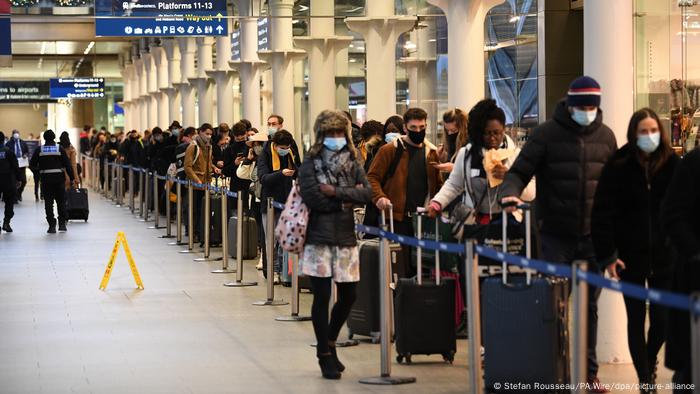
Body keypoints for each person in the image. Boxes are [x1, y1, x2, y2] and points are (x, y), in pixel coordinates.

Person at [500, 76, 617, 391]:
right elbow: (519, 172)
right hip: (556, 234)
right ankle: (555, 370)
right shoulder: (546, 135)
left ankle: (589, 374)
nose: (588, 111)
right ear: (570, 105)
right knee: (555, 305)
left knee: (590, 307)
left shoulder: (606, 137)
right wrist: (509, 194)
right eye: (583, 107)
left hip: (594, 237)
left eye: (593, 106)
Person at [591, 108, 677, 392]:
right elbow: (602, 213)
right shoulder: (618, 164)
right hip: (629, 258)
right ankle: (644, 380)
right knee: (635, 319)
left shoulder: (672, 163)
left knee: (662, 320)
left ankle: (650, 357)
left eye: (653, 130)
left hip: (665, 257)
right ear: (633, 133)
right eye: (643, 131)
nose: (649, 136)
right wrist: (609, 255)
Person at [298, 110, 372, 380]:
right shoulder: (310, 161)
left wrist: (336, 193)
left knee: (349, 295)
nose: (335, 138)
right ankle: (324, 354)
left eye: (339, 133)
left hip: (345, 238)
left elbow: (366, 193)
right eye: (330, 133)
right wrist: (344, 201)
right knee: (322, 297)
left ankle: (329, 342)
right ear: (321, 134)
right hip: (317, 239)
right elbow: (312, 197)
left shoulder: (353, 159)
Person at [367, 107, 443, 278]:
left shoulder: (431, 153)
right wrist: (380, 197)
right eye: (414, 128)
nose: (418, 131)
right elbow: (371, 177)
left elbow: (437, 184)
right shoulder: (390, 150)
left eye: (422, 128)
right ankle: (395, 303)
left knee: (422, 270)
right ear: (405, 128)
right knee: (397, 270)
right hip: (397, 219)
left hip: (423, 220)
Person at [661, 149, 700, 393]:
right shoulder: (693, 164)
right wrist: (695, 252)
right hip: (694, 280)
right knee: (690, 363)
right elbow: (672, 214)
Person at [257, 129, 301, 282]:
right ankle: (272, 272)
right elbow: (263, 178)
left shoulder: (290, 152)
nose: (285, 150)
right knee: (271, 240)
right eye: (282, 147)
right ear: (275, 145)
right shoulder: (265, 154)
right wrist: (281, 173)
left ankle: (284, 271)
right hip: (269, 202)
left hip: (286, 201)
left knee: (285, 239)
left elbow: (298, 170)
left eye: (287, 147)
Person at [30, 130, 75, 233]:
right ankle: (62, 224)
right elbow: (68, 165)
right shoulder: (60, 149)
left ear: (44, 138)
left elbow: (32, 165)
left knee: (48, 204)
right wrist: (72, 179)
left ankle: (51, 225)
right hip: (59, 180)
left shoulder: (39, 150)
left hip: (46, 181)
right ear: (54, 138)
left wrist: (39, 172)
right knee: (61, 202)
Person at [237, 132, 269, 270]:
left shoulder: (268, 160)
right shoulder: (254, 161)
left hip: (266, 198)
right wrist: (248, 160)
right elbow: (241, 174)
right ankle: (262, 255)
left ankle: (266, 258)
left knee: (265, 229)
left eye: (259, 144)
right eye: (254, 145)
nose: (257, 147)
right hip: (255, 198)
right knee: (259, 228)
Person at [184, 123, 219, 244]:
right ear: (200, 132)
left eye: (210, 134)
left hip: (206, 183)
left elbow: (208, 162)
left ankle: (201, 234)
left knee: (202, 210)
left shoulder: (209, 146)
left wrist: (214, 168)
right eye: (206, 133)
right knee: (193, 210)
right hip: (195, 184)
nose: (208, 136)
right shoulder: (193, 146)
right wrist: (196, 180)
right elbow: (187, 166)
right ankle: (192, 233)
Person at [222, 122, 251, 210]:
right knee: (236, 213)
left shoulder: (251, 147)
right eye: (237, 136)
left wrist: (248, 160)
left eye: (242, 135)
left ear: (246, 133)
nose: (240, 138)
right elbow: (225, 171)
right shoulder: (229, 150)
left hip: (250, 184)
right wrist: (234, 164)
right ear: (234, 135)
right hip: (236, 186)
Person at [435, 108, 469, 173]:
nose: (449, 133)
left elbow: (473, 170)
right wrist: (443, 158)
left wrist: (455, 168)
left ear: (463, 128)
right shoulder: (449, 140)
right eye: (447, 130)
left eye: (453, 131)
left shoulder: (470, 144)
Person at [0, 132, 20, 233]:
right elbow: (15, 166)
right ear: (3, 140)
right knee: (9, 203)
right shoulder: (8, 152)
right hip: (8, 181)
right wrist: (19, 179)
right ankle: (6, 223)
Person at [7, 130, 28, 202]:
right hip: (13, 165)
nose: (16, 135)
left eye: (17, 133)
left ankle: (19, 193)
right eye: (15, 133)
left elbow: (26, 151)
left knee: (23, 181)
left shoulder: (23, 143)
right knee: (14, 181)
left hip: (22, 164)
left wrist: (25, 155)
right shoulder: (9, 144)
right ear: (12, 135)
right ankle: (15, 197)